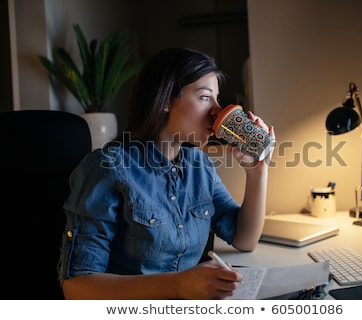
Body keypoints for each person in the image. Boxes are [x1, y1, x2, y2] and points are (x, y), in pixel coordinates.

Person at [58, 47, 275, 299]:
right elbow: (77, 286)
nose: (218, 110)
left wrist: (257, 171)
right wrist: (178, 285)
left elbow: (244, 239)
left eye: (217, 99)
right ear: (164, 101)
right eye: (205, 97)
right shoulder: (108, 167)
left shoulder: (200, 166)